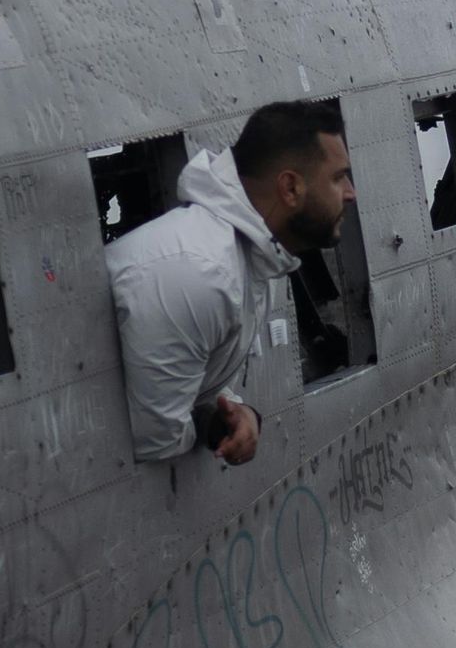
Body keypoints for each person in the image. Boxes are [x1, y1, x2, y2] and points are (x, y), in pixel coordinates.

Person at [106, 101, 355, 465]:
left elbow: (195, 371)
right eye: (338, 177)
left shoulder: (251, 254)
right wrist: (211, 423)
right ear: (289, 188)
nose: (350, 192)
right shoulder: (202, 274)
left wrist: (234, 411)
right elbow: (154, 439)